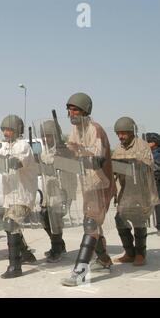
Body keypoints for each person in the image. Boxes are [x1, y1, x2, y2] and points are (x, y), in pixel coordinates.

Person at [60, 92, 115, 286]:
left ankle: (80, 272)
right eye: (69, 109)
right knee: (91, 224)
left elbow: (97, 158)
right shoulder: (77, 130)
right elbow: (72, 153)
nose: (71, 113)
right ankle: (104, 260)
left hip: (101, 185)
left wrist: (80, 155)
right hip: (88, 185)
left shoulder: (95, 129)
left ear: (85, 110)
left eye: (75, 109)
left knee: (90, 225)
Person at [0, 115, 38, 279]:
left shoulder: (23, 146)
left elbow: (15, 163)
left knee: (11, 224)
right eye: (4, 129)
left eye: (9, 129)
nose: (6, 132)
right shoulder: (5, 146)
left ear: (17, 130)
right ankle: (26, 254)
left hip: (22, 195)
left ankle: (15, 266)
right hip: (10, 196)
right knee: (11, 227)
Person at [112, 118, 158, 266]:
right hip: (125, 193)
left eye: (123, 133)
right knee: (120, 220)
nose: (120, 136)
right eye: (118, 133)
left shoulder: (142, 146)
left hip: (141, 192)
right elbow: (113, 166)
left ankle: (140, 254)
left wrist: (127, 164)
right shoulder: (119, 148)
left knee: (139, 222)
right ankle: (129, 253)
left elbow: (144, 167)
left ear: (132, 132)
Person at [38, 120, 77, 263]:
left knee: (55, 219)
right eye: (43, 136)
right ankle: (59, 245)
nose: (45, 139)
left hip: (63, 190)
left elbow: (72, 166)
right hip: (49, 191)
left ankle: (56, 249)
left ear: (55, 135)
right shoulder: (44, 151)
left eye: (48, 136)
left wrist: (64, 154)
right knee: (43, 217)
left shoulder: (65, 150)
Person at [146, 132, 160, 236]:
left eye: (148, 142)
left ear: (153, 143)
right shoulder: (153, 153)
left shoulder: (156, 154)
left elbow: (155, 168)